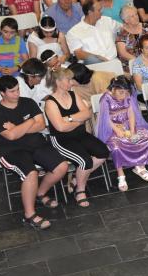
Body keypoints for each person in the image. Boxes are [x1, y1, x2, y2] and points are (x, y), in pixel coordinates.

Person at [0, 76, 68, 230]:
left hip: (36, 145)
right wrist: (30, 122)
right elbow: (11, 136)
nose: (17, 93)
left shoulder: (28, 103)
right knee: (30, 174)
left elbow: (41, 125)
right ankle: (29, 215)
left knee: (62, 167)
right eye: (12, 91)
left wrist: (18, 127)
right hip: (11, 151)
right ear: (2, 93)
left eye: (18, 89)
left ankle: (40, 193)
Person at [45, 68, 109, 207]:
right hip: (61, 140)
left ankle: (76, 176)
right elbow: (60, 128)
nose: (72, 82)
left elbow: (86, 114)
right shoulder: (50, 103)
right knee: (85, 161)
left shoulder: (73, 95)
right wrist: (78, 121)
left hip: (80, 135)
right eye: (69, 80)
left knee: (103, 152)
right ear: (58, 82)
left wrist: (68, 118)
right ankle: (80, 190)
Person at [97, 76, 148, 191]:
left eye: (126, 93)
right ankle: (121, 174)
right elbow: (105, 118)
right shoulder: (106, 98)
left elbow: (131, 113)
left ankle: (139, 165)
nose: (123, 96)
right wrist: (117, 130)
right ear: (113, 89)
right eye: (121, 92)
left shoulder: (127, 95)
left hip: (128, 125)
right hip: (111, 128)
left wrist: (133, 129)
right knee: (117, 146)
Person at [67, 0, 121, 64]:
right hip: (94, 65)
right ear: (90, 12)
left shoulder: (107, 21)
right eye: (99, 10)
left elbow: (123, 28)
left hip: (114, 61)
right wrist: (97, 58)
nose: (102, 11)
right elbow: (79, 54)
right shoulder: (74, 32)